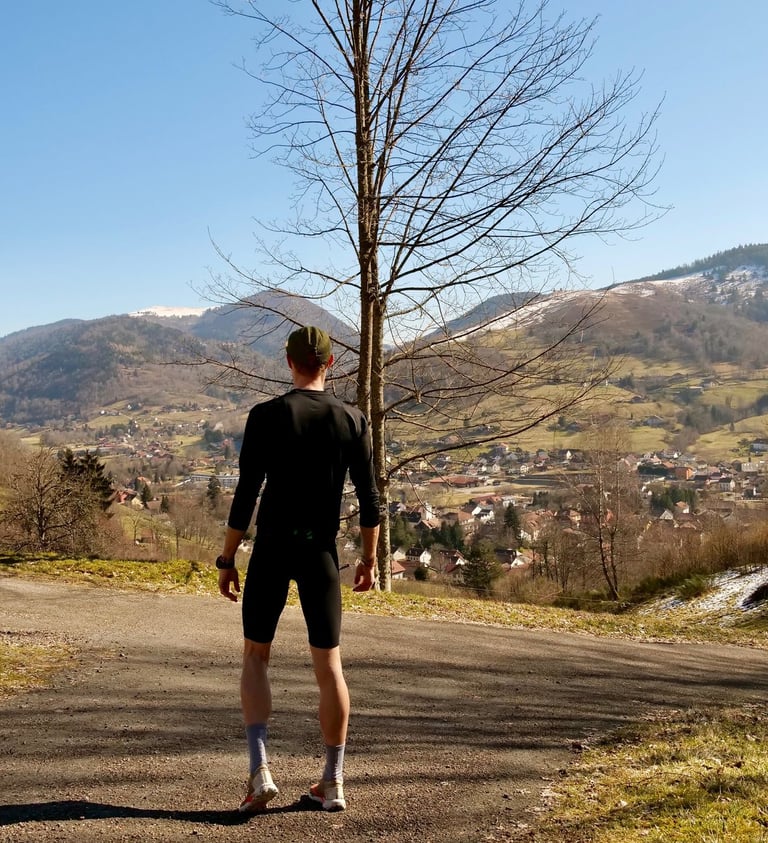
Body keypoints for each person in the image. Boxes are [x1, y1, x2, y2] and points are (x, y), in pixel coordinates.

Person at [216, 325, 380, 814]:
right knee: (329, 666)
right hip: (320, 554)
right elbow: (371, 502)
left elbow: (246, 496)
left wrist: (228, 558)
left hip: (271, 550)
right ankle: (332, 781)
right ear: (330, 364)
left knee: (255, 656)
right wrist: (369, 560)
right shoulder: (352, 420)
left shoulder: (266, 416)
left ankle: (260, 770)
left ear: (288, 363)